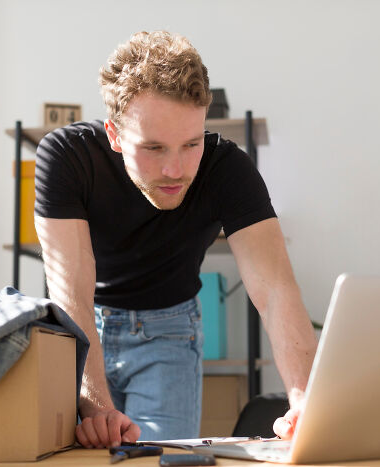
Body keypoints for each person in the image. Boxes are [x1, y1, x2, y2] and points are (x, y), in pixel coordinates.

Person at [34, 30, 317, 448]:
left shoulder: (228, 169)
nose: (176, 169)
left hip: (170, 331)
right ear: (113, 134)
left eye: (191, 143)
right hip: (79, 329)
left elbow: (275, 290)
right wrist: (93, 403)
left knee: (161, 460)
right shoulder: (65, 157)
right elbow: (71, 288)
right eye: (154, 148)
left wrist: (304, 398)